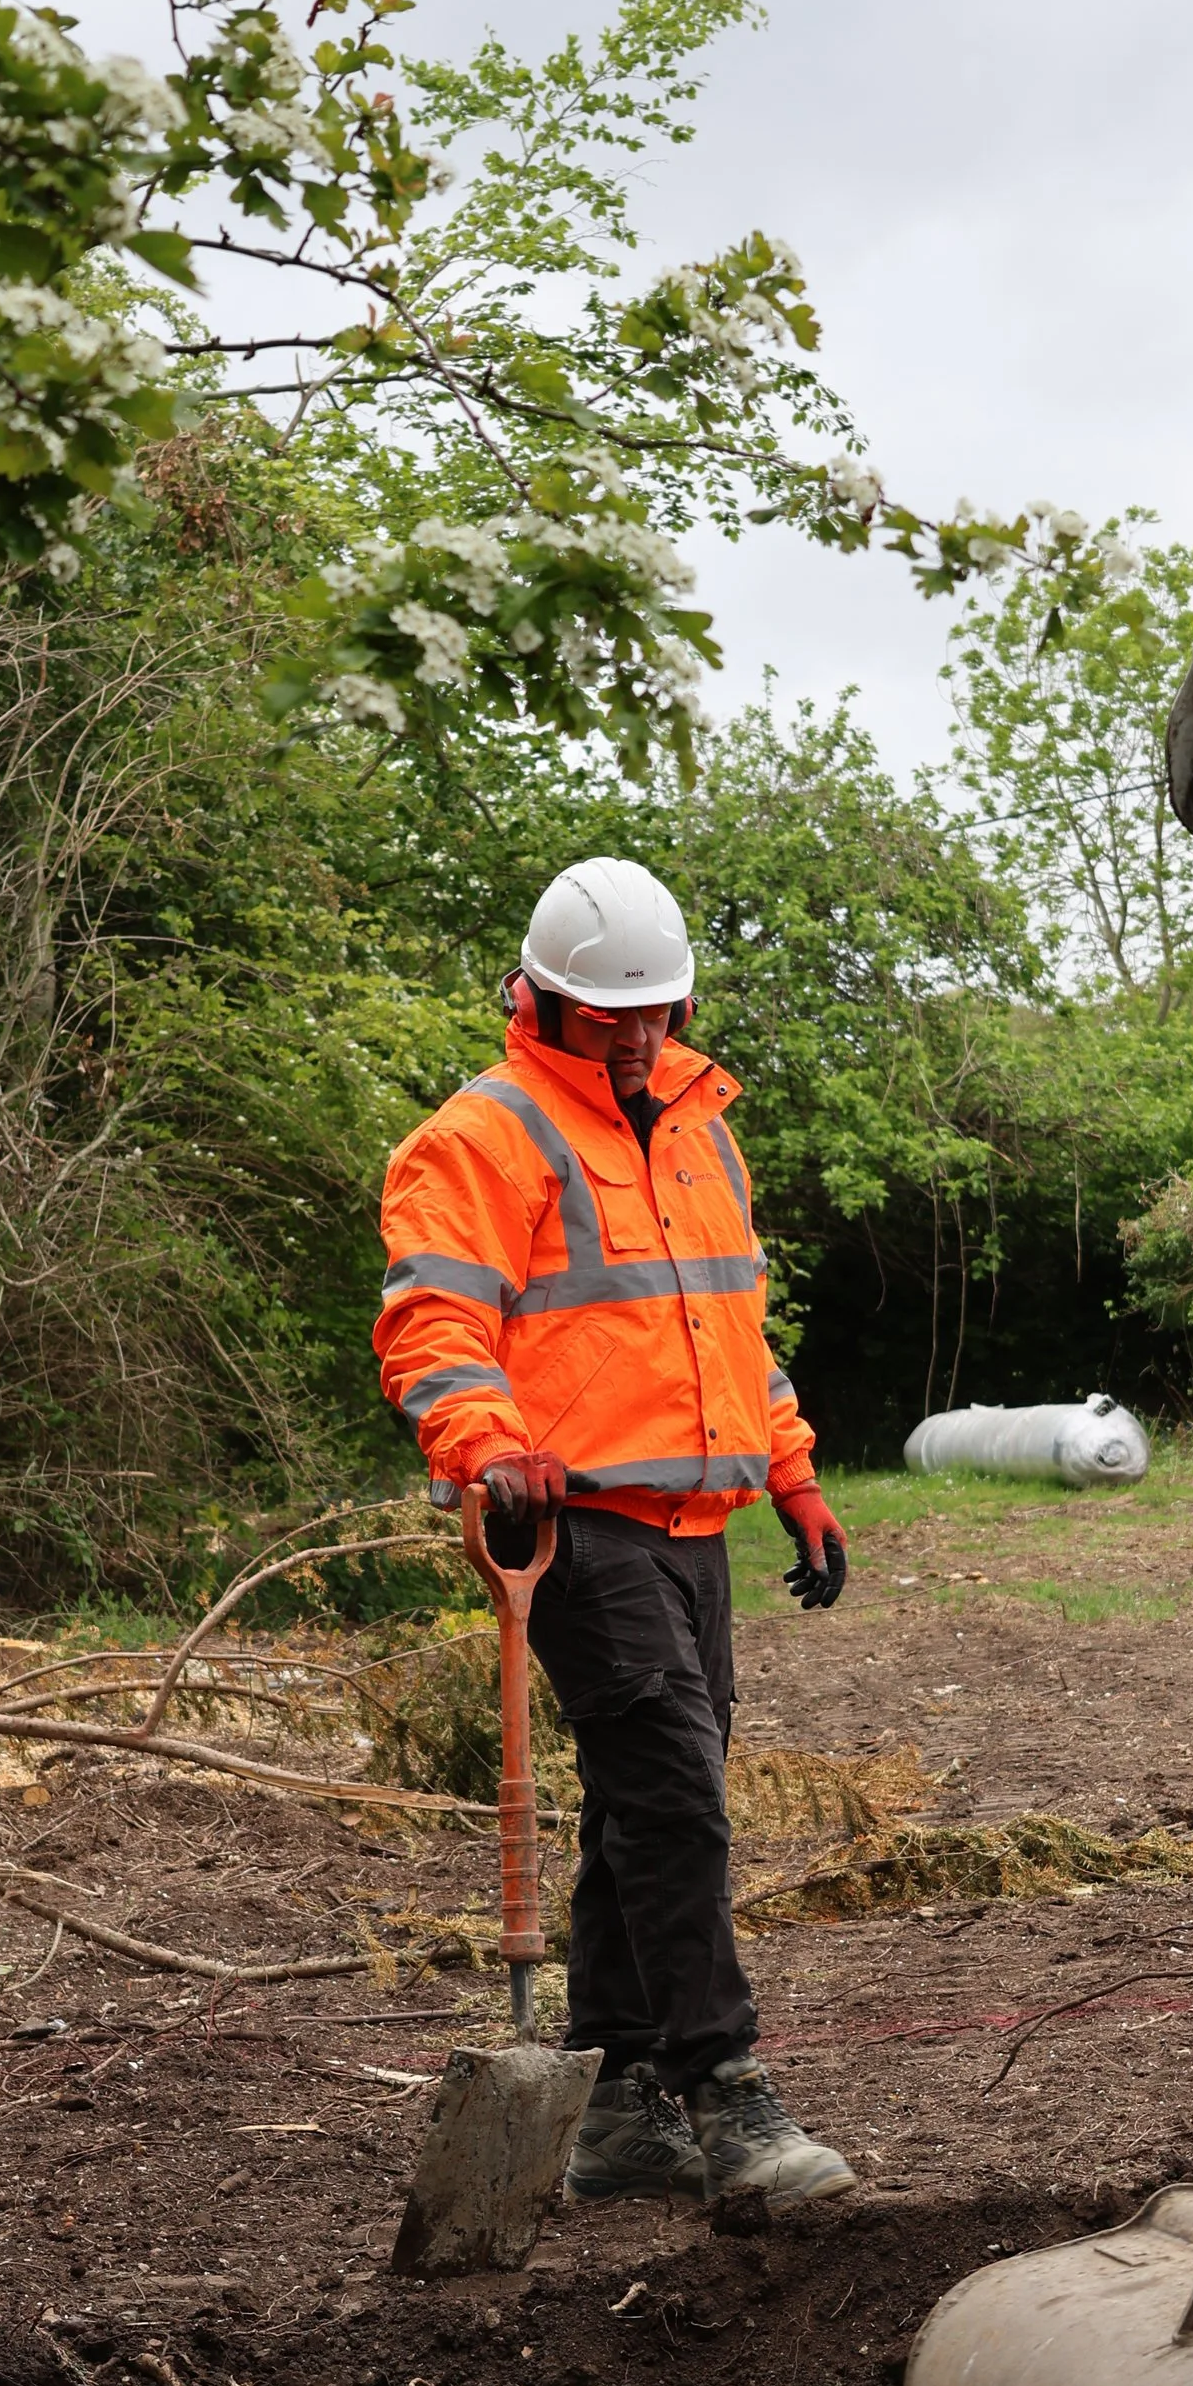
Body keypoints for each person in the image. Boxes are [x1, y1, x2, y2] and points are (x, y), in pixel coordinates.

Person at [375, 857, 855, 2208]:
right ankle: (728, 2091)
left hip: (696, 1521)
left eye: (657, 1010)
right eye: (608, 1015)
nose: (638, 1036)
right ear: (540, 1002)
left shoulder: (703, 1132)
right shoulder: (480, 1138)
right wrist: (485, 1446)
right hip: (572, 1521)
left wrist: (794, 1472)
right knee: (677, 1801)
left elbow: (727, 1327)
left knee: (643, 1807)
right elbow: (435, 1325)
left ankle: (620, 2096)